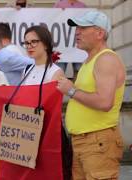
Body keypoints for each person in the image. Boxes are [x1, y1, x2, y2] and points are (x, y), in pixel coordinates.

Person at [57, 11, 126, 180]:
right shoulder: (91, 60)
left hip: (97, 141)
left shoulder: (106, 59)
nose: (77, 32)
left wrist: (71, 90)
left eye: (82, 28)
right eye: (76, 28)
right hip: (86, 141)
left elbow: (104, 102)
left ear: (100, 33)